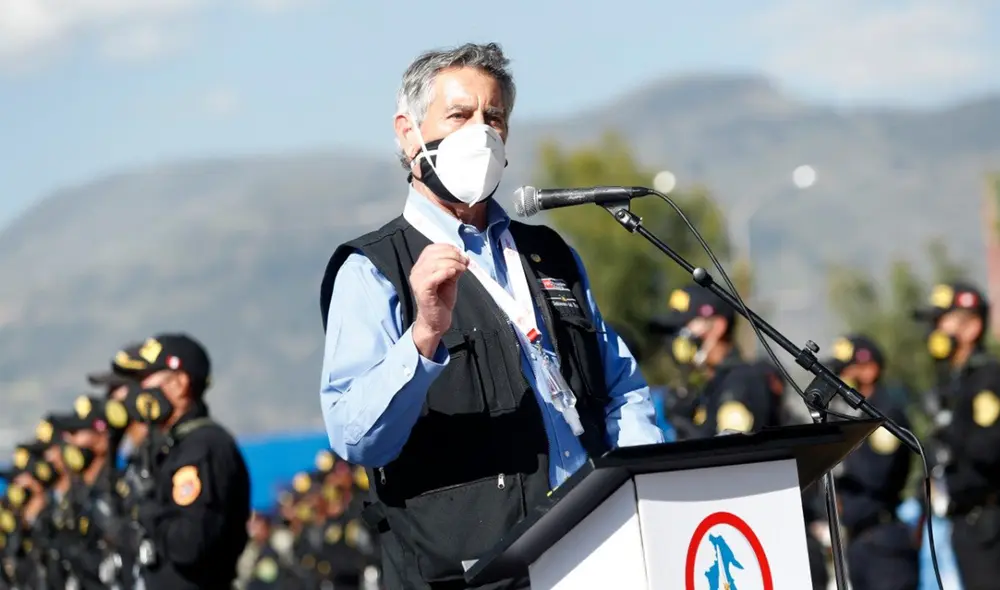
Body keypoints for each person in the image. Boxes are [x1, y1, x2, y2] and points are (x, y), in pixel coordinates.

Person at [318, 42, 664, 589]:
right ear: (408, 134)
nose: (480, 132)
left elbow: (620, 387)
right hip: (475, 572)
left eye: (494, 117)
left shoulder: (547, 253)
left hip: (595, 551)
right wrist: (425, 335)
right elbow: (355, 436)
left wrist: (651, 491)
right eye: (459, 115)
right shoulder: (372, 270)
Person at [117, 333, 252, 589]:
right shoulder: (172, 446)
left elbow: (190, 546)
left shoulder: (202, 447)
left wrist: (147, 505)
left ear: (179, 383)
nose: (137, 392)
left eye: (145, 380)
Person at [913, 281, 1000, 590]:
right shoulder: (953, 382)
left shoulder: (986, 378)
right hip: (963, 521)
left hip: (988, 522)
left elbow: (989, 449)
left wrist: (949, 429)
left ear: (972, 326)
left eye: (941, 323)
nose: (934, 332)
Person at [823, 334, 919, 590]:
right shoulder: (853, 417)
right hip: (858, 543)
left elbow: (876, 473)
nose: (839, 380)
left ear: (869, 369)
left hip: (884, 545)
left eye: (845, 371)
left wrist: (840, 452)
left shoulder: (885, 415)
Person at [650, 284, 777, 437]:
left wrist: (683, 427)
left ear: (718, 326)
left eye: (683, 330)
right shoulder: (714, 384)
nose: (674, 341)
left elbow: (734, 452)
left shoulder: (740, 384)